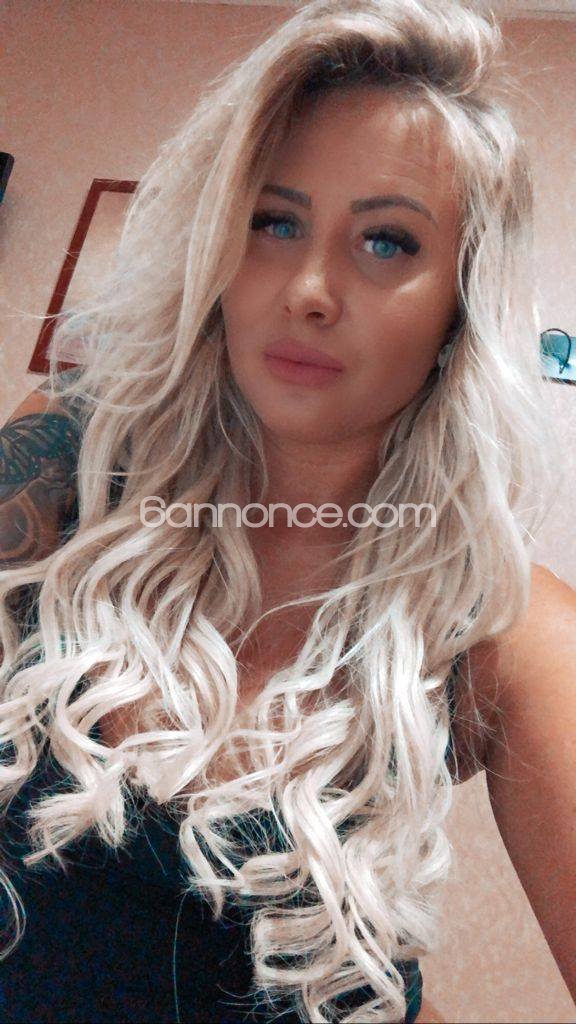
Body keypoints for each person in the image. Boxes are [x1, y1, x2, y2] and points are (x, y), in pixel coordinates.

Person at [0, 0, 575, 1021]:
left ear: (460, 304)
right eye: (274, 222)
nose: (310, 287)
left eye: (387, 242)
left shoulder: (503, 627)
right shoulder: (65, 462)